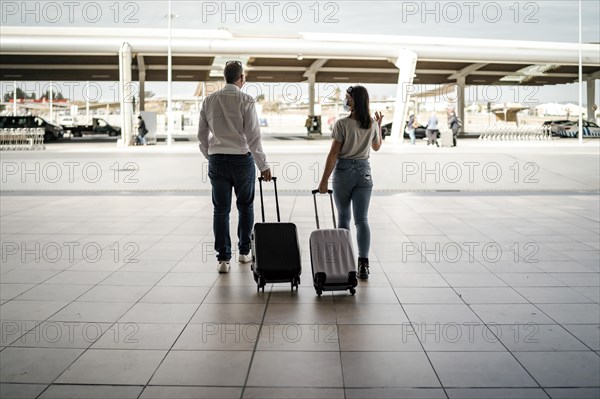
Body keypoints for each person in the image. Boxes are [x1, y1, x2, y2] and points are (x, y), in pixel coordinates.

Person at [198, 60, 272, 273]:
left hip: (217, 159)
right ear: (241, 78)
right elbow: (253, 137)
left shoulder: (209, 100)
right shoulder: (246, 100)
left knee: (220, 210)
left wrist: (209, 154)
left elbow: (201, 135)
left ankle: (223, 259)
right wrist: (263, 165)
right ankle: (244, 252)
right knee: (245, 206)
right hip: (241, 159)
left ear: (225, 77)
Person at [318, 85, 383, 280]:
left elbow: (334, 154)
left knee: (344, 218)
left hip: (344, 173)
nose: (345, 101)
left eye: (347, 98)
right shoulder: (371, 124)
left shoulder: (342, 124)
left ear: (355, 101)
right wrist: (378, 126)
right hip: (364, 173)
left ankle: (345, 261)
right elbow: (377, 147)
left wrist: (323, 181)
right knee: (362, 220)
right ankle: (363, 264)